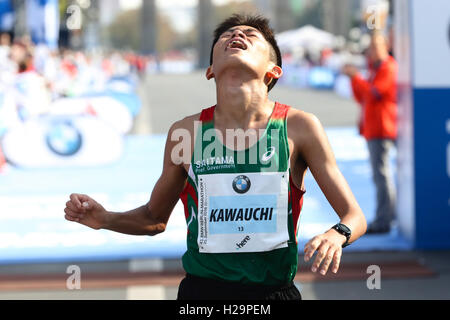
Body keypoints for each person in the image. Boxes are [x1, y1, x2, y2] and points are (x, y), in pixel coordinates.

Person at [64, 14, 367, 300]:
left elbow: (354, 216)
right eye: (226, 35)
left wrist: (337, 234)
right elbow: (155, 219)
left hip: (273, 293)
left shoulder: (300, 127)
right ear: (210, 70)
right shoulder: (185, 133)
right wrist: (104, 218)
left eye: (250, 35)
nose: (236, 35)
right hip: (202, 295)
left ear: (273, 70)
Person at [342, 31, 397, 234]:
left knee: (382, 175)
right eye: (371, 46)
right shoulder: (378, 68)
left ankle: (385, 218)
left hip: (382, 127)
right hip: (376, 127)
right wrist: (355, 79)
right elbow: (363, 96)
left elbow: (373, 94)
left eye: (375, 46)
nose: (371, 51)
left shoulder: (388, 67)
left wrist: (356, 77)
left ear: (385, 46)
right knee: (381, 175)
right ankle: (388, 215)